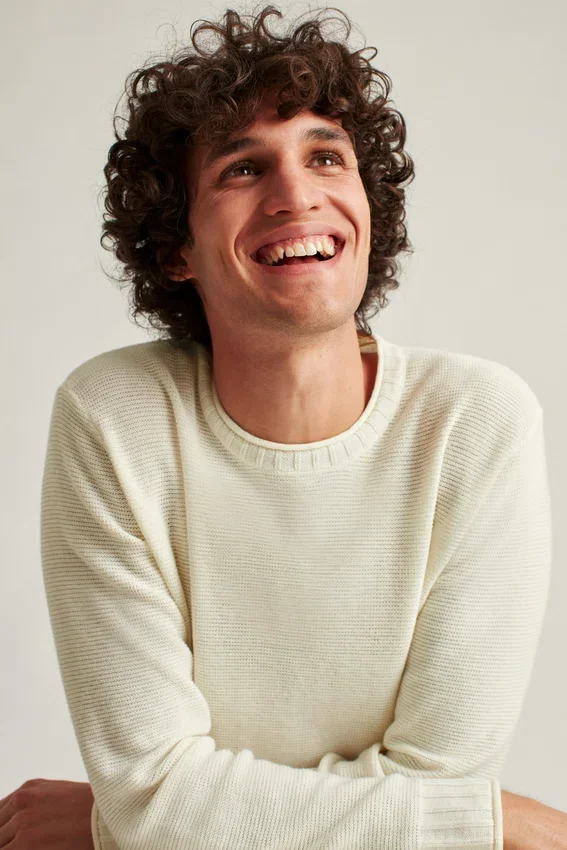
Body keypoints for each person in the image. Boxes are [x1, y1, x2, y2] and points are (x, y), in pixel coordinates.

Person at [4, 5, 564, 850]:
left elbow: (160, 806)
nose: (297, 195)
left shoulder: (475, 422)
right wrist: (491, 822)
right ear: (176, 247)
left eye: (325, 157)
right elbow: (158, 797)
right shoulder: (114, 418)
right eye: (241, 169)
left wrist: (119, 824)